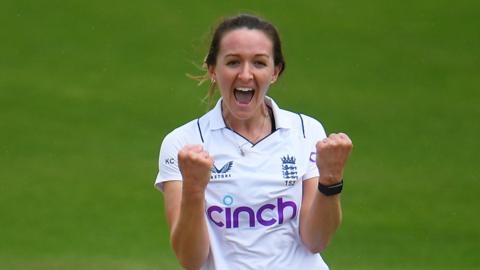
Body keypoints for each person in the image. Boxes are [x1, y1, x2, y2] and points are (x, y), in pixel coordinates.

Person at [155, 14, 353, 270]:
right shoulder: (184, 143)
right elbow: (190, 260)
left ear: (275, 72)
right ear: (213, 69)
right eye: (233, 62)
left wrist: (331, 180)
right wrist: (193, 189)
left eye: (259, 63)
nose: (245, 75)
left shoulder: (306, 131)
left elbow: (315, 240)